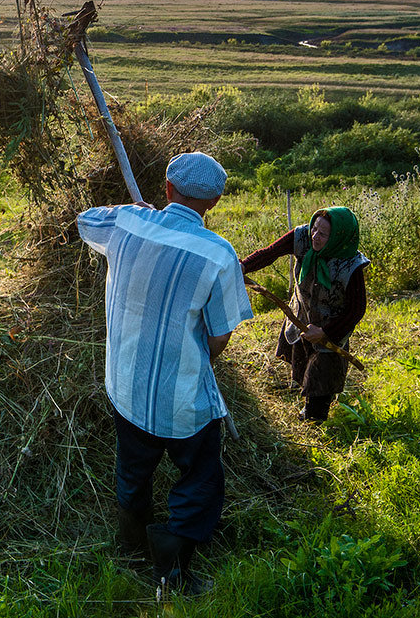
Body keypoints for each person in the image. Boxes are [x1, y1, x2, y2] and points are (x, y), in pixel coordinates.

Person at [77, 152, 252, 595]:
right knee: (200, 479)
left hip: (126, 387)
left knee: (133, 470)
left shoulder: (127, 224)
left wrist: (137, 215)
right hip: (182, 399)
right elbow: (218, 337)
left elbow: (85, 220)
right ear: (213, 203)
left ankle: (133, 542)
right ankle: (172, 567)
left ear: (168, 189)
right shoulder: (219, 254)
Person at [240, 207, 370, 422]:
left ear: (338, 237)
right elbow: (270, 252)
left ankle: (314, 418)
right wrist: (244, 266)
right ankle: (306, 399)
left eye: (323, 234)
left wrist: (326, 332)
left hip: (331, 326)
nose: (315, 237)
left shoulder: (350, 265)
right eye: (314, 228)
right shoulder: (302, 236)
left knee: (323, 371)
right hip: (302, 314)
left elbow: (356, 309)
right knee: (301, 358)